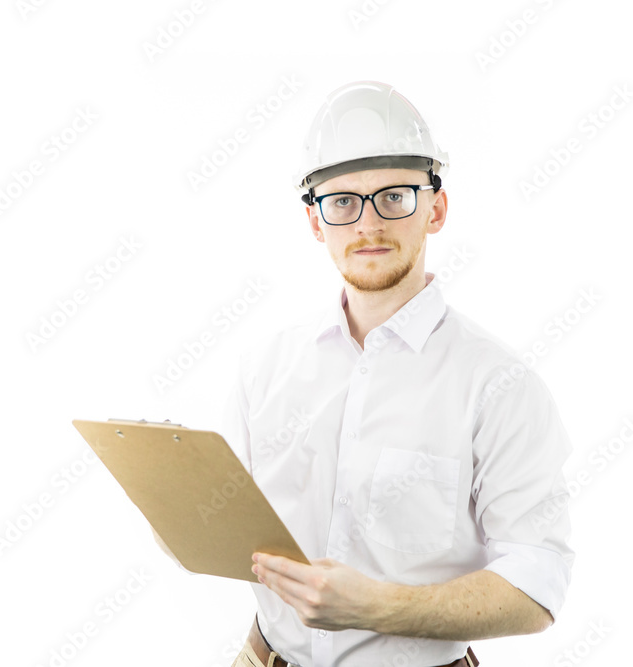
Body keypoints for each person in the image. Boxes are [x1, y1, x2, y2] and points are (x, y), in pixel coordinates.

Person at [155, 80, 575, 667]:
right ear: (315, 221)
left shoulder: (498, 384)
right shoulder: (265, 367)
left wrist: (378, 607)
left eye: (394, 196)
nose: (368, 224)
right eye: (343, 201)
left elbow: (539, 581)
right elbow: (222, 532)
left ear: (436, 208)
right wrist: (172, 499)